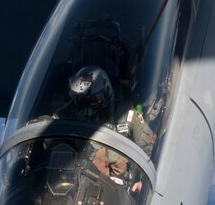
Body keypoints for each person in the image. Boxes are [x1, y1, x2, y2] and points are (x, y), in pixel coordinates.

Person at [66, 65, 155, 194]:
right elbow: (53, 147)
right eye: (81, 99)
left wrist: (143, 181)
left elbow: (149, 149)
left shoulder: (127, 116)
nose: (87, 106)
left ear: (106, 94)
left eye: (94, 100)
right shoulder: (68, 115)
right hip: (79, 184)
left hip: (119, 191)